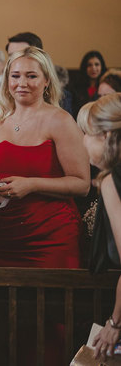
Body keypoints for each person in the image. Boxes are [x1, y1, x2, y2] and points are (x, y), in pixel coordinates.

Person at [0, 46, 90, 365]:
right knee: (8, 319)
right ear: (7, 79)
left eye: (31, 76)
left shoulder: (60, 121)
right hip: (5, 234)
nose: (22, 83)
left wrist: (32, 184)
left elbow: (81, 182)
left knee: (51, 324)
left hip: (52, 237)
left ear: (46, 81)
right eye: (16, 75)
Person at [76, 94, 121, 360]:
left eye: (87, 134)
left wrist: (115, 323)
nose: (82, 141)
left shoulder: (112, 182)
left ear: (106, 136)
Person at [72, 50, 108, 117]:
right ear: (85, 68)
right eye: (89, 65)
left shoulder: (106, 88)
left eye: (97, 64)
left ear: (102, 67)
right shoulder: (76, 88)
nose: (93, 68)